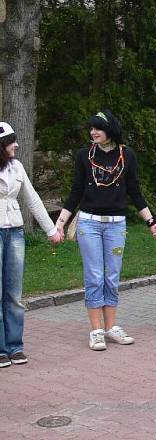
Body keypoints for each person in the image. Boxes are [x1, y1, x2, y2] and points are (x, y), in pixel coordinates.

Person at [56, 110, 156, 350]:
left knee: (112, 277)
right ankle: (96, 331)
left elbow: (135, 193)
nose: (93, 132)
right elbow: (75, 193)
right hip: (89, 224)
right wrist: (60, 224)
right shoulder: (84, 156)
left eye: (98, 128)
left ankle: (111, 327)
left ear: (110, 129)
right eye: (91, 128)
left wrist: (150, 222)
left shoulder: (127, 156)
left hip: (116, 225)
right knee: (94, 276)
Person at [0, 123, 63, 368]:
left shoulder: (17, 167)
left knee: (14, 294)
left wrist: (51, 229)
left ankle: (15, 346)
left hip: (15, 232)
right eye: (11, 141)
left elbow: (33, 199)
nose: (16, 144)